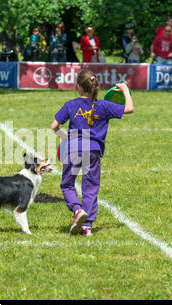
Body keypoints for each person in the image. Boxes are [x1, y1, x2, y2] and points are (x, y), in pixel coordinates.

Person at [50, 69, 134, 236]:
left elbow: (53, 126)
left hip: (73, 148)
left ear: (78, 87)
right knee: (90, 187)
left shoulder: (70, 105)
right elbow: (129, 108)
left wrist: (63, 137)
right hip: (93, 150)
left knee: (67, 184)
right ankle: (87, 226)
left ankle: (77, 210)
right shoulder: (103, 105)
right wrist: (125, 90)